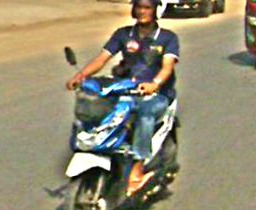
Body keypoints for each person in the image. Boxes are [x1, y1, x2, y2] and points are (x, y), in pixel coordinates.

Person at [66, 0, 180, 196]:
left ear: (156, 10)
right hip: (126, 89)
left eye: (147, 7)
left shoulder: (167, 38)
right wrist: (81, 76)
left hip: (157, 94)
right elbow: (102, 59)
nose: (142, 11)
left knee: (144, 114)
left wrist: (155, 84)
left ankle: (138, 169)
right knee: (97, 108)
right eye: (139, 7)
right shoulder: (124, 34)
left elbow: (167, 67)